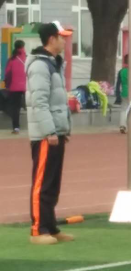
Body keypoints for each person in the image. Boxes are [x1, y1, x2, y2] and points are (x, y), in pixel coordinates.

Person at [25, 21, 73, 245]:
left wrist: (63, 128)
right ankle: (38, 229)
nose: (64, 41)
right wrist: (50, 131)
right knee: (42, 182)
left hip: (55, 131)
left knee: (53, 183)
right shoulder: (40, 66)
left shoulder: (54, 64)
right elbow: (39, 101)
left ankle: (51, 227)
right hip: (46, 134)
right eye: (61, 37)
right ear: (51, 39)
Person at [4, 40, 27, 134]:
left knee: (15, 108)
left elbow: (7, 74)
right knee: (30, 106)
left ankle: (16, 127)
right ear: (23, 47)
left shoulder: (12, 59)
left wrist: (7, 85)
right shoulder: (27, 58)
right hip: (26, 87)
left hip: (14, 87)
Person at [116, 55, 129, 133]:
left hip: (124, 92)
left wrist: (117, 94)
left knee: (124, 109)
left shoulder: (121, 71)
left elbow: (118, 84)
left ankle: (122, 125)